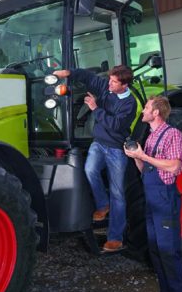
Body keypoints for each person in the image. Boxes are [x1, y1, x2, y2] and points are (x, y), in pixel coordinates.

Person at [54, 65, 136, 252]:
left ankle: (115, 238)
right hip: (98, 143)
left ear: (124, 85)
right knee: (90, 170)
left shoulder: (129, 103)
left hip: (116, 148)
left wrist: (95, 108)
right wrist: (69, 73)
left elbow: (115, 125)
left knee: (118, 194)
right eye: (110, 80)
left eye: (114, 82)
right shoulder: (106, 88)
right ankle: (102, 204)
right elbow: (88, 76)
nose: (110, 84)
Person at [124, 96, 182, 292]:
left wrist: (143, 156)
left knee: (169, 253)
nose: (143, 111)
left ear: (156, 113)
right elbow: (146, 169)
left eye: (147, 108)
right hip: (151, 201)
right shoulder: (150, 138)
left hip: (165, 199)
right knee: (156, 252)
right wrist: (136, 158)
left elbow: (175, 166)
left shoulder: (173, 134)